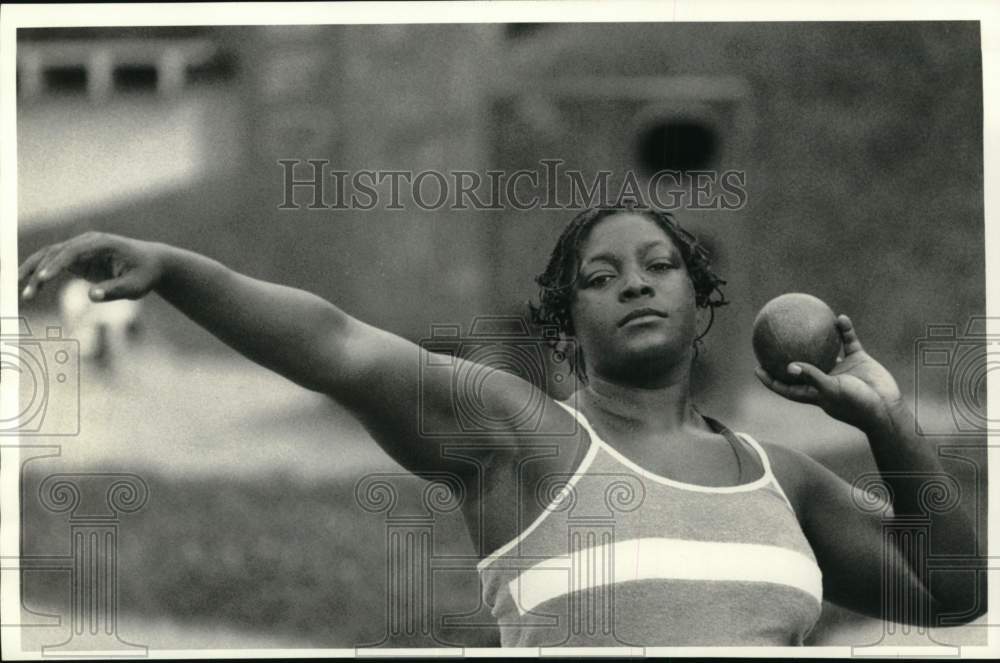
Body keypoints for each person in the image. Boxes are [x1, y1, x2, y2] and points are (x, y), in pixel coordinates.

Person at [18, 206, 984, 646]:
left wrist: (890, 422)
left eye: (658, 265)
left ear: (703, 306)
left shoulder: (787, 481)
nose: (633, 282)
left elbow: (952, 595)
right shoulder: (525, 439)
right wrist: (180, 270)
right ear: (567, 327)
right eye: (598, 278)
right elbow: (341, 344)